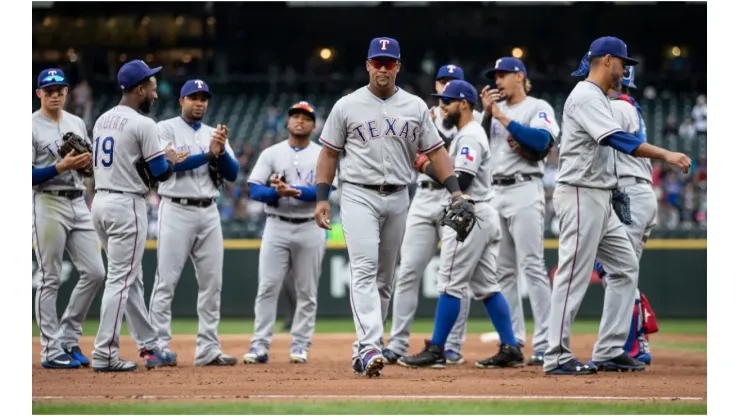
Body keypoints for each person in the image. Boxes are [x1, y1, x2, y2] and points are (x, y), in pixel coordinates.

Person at [313, 37, 467, 378]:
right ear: (368, 65)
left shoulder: (414, 106)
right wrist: (323, 196)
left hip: (399, 194)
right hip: (357, 193)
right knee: (365, 270)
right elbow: (328, 154)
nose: (383, 68)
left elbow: (437, 151)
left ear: (398, 66)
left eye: (389, 62)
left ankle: (362, 350)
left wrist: (456, 192)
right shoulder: (347, 105)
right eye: (377, 62)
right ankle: (370, 345)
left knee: (385, 280)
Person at [544, 37, 691, 375]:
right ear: (607, 60)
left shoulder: (599, 98)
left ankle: (610, 349)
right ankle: (556, 355)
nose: (626, 70)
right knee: (573, 275)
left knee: (624, 267)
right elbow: (617, 139)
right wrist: (665, 154)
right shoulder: (584, 95)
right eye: (624, 63)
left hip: (601, 196)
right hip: (580, 192)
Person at [398, 80, 523, 369]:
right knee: (487, 286)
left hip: (470, 213)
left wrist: (424, 165)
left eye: (447, 101)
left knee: (450, 282)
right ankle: (511, 347)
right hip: (480, 213)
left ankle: (438, 349)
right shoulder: (467, 134)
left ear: (464, 104)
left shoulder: (470, 136)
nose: (442, 106)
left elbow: (462, 181)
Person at [383, 64, 480, 366]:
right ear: (436, 84)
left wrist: (429, 161)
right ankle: (397, 343)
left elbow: (453, 166)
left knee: (455, 277)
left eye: (452, 82)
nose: (445, 85)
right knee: (408, 272)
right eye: (442, 80)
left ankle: (452, 345)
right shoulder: (424, 114)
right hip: (424, 196)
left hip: (455, 197)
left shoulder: (472, 121)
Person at [90, 60, 179, 372]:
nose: (155, 93)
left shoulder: (103, 119)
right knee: (122, 280)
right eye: (152, 87)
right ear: (140, 89)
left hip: (100, 202)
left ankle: (149, 344)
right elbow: (160, 174)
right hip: (127, 205)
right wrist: (169, 159)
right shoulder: (144, 124)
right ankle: (104, 353)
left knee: (131, 277)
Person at [147, 79, 240, 366]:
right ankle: (159, 346)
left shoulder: (215, 134)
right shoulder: (164, 128)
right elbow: (168, 165)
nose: (199, 103)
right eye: (193, 97)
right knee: (166, 282)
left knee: (212, 283)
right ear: (181, 101)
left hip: (209, 211)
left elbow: (233, 173)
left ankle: (208, 349)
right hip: (176, 207)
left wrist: (221, 152)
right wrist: (209, 154)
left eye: (203, 98)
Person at [478, 57, 560, 366]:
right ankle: (512, 343)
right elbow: (476, 143)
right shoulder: (491, 113)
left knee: (533, 267)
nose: (497, 81)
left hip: (525, 188)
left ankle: (547, 343)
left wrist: (501, 116)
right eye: (495, 75)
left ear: (519, 76)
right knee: (503, 273)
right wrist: (488, 116)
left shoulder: (537, 107)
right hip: (494, 191)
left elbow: (541, 141)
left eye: (502, 74)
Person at [245, 101, 329, 364]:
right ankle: (259, 346)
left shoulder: (322, 154)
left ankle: (300, 346)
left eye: (306, 117)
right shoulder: (271, 153)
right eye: (295, 116)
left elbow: (327, 190)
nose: (300, 121)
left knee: (307, 291)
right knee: (268, 287)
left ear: (314, 125)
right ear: (288, 122)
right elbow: (254, 189)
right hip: (276, 224)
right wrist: (276, 193)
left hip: (309, 226)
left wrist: (297, 191)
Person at [32, 68, 105, 369]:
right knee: (49, 278)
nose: (55, 94)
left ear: (66, 92)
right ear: (39, 93)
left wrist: (86, 165)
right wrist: (60, 166)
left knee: (96, 272)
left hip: (78, 201)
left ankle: (68, 337)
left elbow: (87, 170)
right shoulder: (29, 126)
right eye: (49, 90)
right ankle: (50, 349)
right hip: (48, 201)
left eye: (59, 89)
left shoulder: (75, 122)